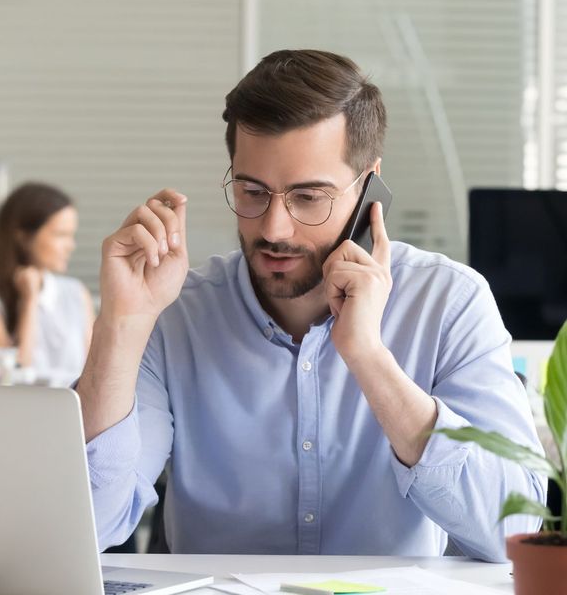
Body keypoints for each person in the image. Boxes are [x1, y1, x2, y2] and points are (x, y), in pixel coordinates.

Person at [78, 50, 546, 560]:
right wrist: (122, 323)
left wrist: (369, 358)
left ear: (368, 185)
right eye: (252, 191)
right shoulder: (174, 314)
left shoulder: (447, 302)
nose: (274, 228)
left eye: (308, 197)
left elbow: (515, 532)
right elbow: (89, 528)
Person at [0, 182, 94, 386]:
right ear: (24, 238)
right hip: (23, 412)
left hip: (76, 409)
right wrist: (29, 302)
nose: (70, 246)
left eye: (71, 235)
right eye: (60, 235)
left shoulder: (77, 293)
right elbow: (12, 376)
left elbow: (93, 368)